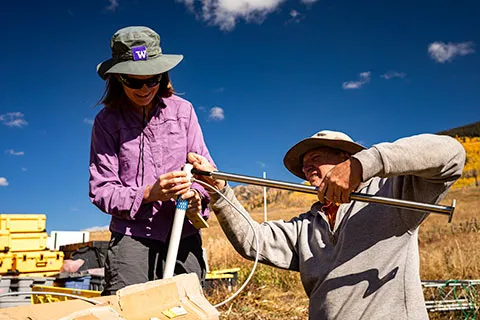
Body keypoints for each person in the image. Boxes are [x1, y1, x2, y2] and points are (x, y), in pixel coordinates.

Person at [188, 130, 466, 319]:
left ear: (344, 158)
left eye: (316, 160)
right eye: (305, 166)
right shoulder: (306, 226)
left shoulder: (391, 197)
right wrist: (219, 190)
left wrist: (364, 165)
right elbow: (253, 241)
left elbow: (451, 154)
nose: (308, 169)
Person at [89, 26, 214, 295]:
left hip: (183, 233)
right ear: (117, 79)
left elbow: (206, 172)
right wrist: (148, 193)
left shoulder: (184, 112)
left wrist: (196, 194)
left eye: (152, 79)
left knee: (186, 308)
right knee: (128, 308)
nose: (144, 88)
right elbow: (101, 190)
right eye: (134, 81)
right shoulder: (106, 123)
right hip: (132, 238)